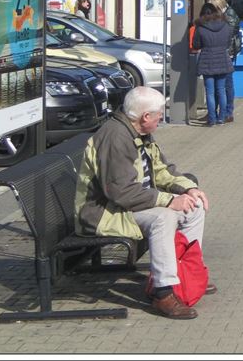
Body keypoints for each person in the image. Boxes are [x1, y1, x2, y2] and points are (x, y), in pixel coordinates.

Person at [75, 87, 214, 320]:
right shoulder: (116, 138)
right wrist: (169, 199)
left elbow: (161, 170)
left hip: (129, 205)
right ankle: (163, 292)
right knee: (164, 217)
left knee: (194, 206)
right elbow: (120, 192)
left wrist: (188, 189)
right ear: (145, 117)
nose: (161, 118)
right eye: (159, 114)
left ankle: (189, 274)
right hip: (103, 212)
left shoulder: (139, 132)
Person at [191, 2, 233, 126]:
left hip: (207, 61)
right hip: (222, 60)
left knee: (210, 92)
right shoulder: (225, 26)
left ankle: (211, 119)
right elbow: (228, 43)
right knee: (221, 90)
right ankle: (221, 118)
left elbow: (196, 45)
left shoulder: (201, 28)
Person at [206, 0, 242, 124]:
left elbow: (227, 35)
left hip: (227, 54)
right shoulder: (224, 15)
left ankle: (227, 112)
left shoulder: (229, 16)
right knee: (219, 86)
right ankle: (214, 113)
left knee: (226, 85)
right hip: (221, 53)